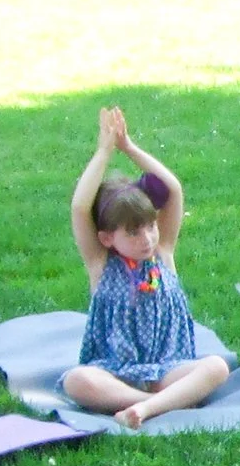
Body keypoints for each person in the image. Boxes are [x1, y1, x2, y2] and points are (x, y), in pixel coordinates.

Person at [62, 107, 230, 429]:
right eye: (133, 232)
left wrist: (128, 147)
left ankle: (150, 404)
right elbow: (80, 207)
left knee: (216, 367)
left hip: (167, 371)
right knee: (77, 380)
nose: (147, 238)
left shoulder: (163, 254)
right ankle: (155, 405)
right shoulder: (101, 265)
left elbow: (174, 189)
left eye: (150, 226)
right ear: (107, 237)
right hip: (114, 373)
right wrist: (104, 151)